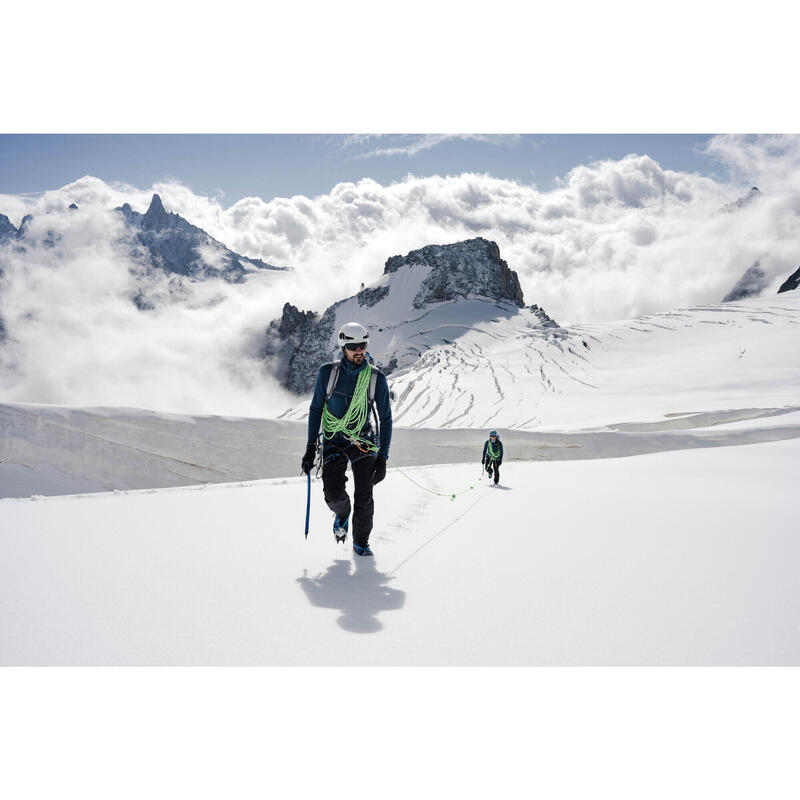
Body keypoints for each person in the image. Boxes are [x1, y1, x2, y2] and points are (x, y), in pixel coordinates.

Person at [301, 322, 392, 557]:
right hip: (333, 439)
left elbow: (386, 419)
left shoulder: (375, 379)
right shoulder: (328, 374)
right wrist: (311, 448)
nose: (359, 350)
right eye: (353, 346)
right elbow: (315, 410)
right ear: (343, 347)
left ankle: (361, 542)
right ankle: (342, 513)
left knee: (365, 492)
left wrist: (382, 457)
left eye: (362, 345)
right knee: (332, 492)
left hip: (362, 440)